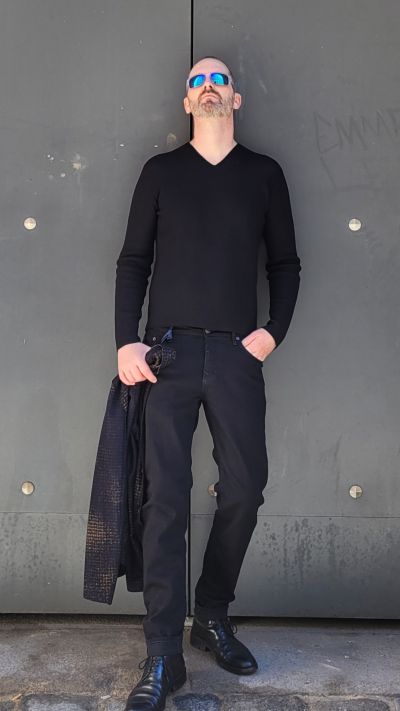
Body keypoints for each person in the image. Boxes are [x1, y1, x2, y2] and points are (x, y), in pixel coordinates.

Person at [115, 55, 301, 711]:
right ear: (186, 102)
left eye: (219, 79)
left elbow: (285, 263)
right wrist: (126, 341)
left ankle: (212, 614)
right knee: (164, 499)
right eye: (197, 81)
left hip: (234, 355)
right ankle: (163, 652)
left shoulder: (263, 174)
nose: (208, 87)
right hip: (166, 355)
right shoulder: (161, 173)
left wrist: (271, 333)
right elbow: (134, 260)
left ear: (236, 99)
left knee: (245, 489)